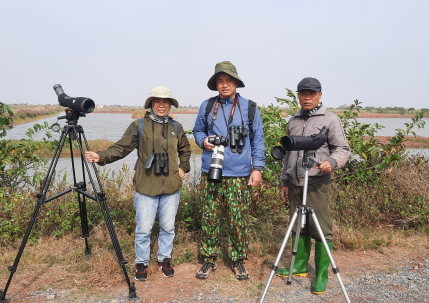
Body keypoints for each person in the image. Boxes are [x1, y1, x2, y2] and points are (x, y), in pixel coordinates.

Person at [84, 86, 191, 281]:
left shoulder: (176, 127)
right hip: (146, 186)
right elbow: (121, 148)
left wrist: (184, 167)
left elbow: (185, 149)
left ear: (169, 105)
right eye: (157, 101)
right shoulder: (139, 125)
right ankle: (141, 262)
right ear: (151, 104)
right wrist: (101, 157)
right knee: (143, 229)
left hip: (172, 187)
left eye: (165, 102)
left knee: (168, 227)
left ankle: (164, 259)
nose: (161, 105)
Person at [277, 77, 351, 294]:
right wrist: (284, 181)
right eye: (302, 93)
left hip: (317, 182)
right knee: (298, 225)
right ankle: (299, 265)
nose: (307, 97)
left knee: (321, 229)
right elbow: (286, 156)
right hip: (294, 182)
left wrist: (332, 162)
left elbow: (343, 148)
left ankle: (321, 274)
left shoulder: (330, 119)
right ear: (298, 95)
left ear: (320, 94)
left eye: (311, 93)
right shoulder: (293, 120)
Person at [192, 61, 265, 280]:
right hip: (211, 171)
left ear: (236, 83)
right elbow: (197, 131)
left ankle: (238, 260)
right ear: (215, 85)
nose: (224, 85)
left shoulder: (250, 107)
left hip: (240, 174)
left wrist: (258, 169)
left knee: (237, 219)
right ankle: (209, 259)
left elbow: (258, 141)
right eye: (220, 81)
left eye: (228, 81)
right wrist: (203, 141)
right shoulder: (207, 106)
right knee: (209, 217)